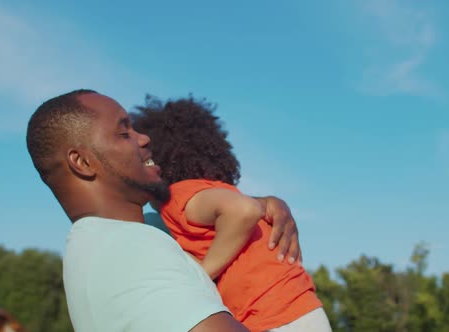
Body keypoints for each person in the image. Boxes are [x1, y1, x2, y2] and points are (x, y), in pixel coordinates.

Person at [26, 89, 302, 332]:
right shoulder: (126, 247)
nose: (144, 138)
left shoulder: (118, 238)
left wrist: (266, 203)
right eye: (124, 133)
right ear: (82, 162)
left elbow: (223, 214)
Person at [132, 97, 332, 332]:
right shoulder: (212, 193)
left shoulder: (178, 196)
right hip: (296, 310)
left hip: (277, 317)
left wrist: (202, 277)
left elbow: (244, 211)